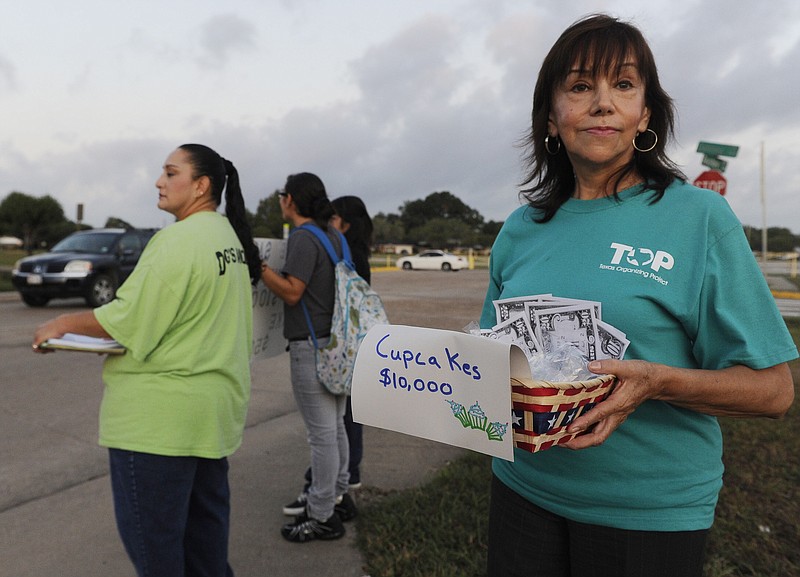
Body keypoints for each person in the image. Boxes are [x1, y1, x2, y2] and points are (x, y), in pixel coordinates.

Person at [480, 14, 797, 577]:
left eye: (623, 85)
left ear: (645, 114)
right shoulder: (520, 229)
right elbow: (492, 366)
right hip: (522, 491)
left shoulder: (699, 218)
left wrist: (655, 382)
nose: (603, 103)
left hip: (646, 515)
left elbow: (773, 393)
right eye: (580, 87)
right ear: (552, 118)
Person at [32, 144, 262, 577]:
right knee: (207, 552)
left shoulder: (177, 240)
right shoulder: (227, 239)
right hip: (211, 418)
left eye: (170, 172)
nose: (159, 181)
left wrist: (63, 323)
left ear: (201, 185)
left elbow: (126, 320)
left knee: (158, 553)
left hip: (158, 427)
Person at [260, 173, 357, 543]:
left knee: (321, 436)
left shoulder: (303, 237)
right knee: (334, 428)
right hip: (338, 345)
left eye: (283, 194)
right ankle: (338, 495)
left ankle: (321, 516)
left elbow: (292, 292)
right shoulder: (335, 236)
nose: (280, 200)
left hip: (311, 347)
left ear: (292, 200)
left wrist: (262, 270)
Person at [284, 195, 374, 507]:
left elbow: (298, 294)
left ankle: (322, 499)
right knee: (340, 424)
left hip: (331, 347)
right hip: (351, 348)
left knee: (331, 430)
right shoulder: (352, 253)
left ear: (344, 224)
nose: (328, 224)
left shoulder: (337, 252)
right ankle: (341, 486)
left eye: (333, 219)